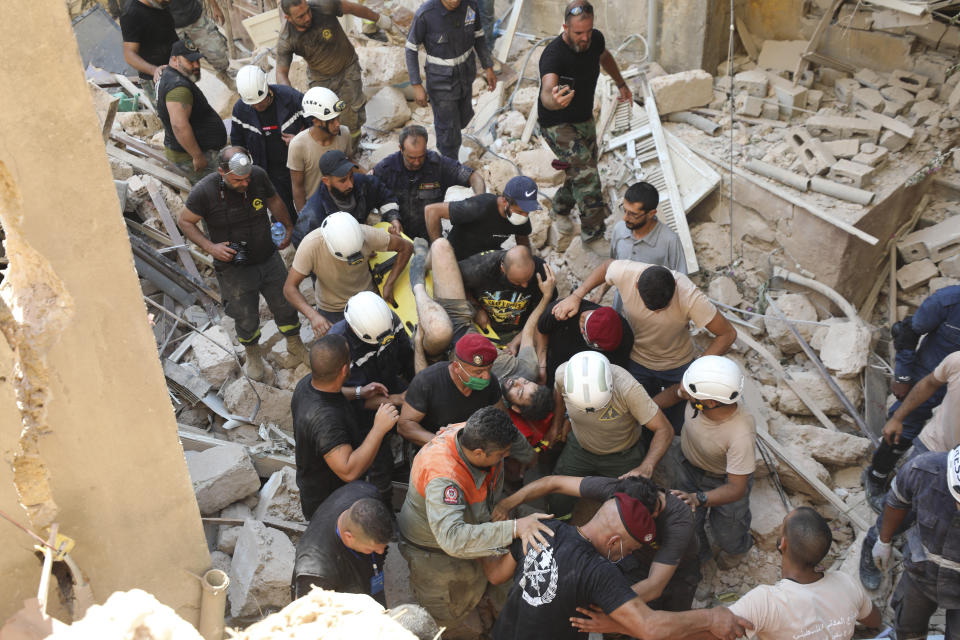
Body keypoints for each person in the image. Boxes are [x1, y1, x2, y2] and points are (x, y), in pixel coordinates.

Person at [482, 492, 752, 640]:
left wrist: (482, 531)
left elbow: (495, 575)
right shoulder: (599, 572)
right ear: (614, 541)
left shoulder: (542, 529)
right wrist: (711, 617)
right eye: (630, 549)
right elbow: (650, 627)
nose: (627, 556)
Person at [397, 406, 555, 633]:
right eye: (502, 455)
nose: (506, 457)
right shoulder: (443, 475)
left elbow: (517, 444)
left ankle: (482, 611)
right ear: (479, 453)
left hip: (473, 525)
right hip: (433, 550)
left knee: (479, 586)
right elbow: (452, 539)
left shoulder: (478, 432)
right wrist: (513, 528)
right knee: (445, 614)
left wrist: (529, 457)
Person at [552, 259, 737, 432]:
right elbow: (607, 266)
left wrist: (695, 374)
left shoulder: (689, 295)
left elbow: (727, 334)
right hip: (637, 360)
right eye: (651, 307)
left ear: (674, 287)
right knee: (638, 419)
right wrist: (576, 296)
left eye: (662, 307)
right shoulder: (627, 273)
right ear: (635, 285)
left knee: (678, 422)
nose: (656, 312)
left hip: (677, 364)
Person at [177, 146, 307, 380]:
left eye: (247, 179)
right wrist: (210, 247)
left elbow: (273, 199)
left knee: (285, 302)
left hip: (266, 254)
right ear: (222, 172)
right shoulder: (204, 191)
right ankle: (253, 354)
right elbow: (184, 221)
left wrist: (287, 225)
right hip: (234, 263)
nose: (245, 184)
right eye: (238, 180)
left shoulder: (257, 175)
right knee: (245, 314)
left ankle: (294, 343)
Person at [493, 474, 700, 612]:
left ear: (653, 513)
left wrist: (604, 602)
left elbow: (655, 585)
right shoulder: (621, 491)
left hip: (677, 572)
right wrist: (507, 503)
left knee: (668, 619)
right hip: (632, 559)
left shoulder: (678, 521)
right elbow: (553, 482)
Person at [860, 350, 960, 589]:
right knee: (901, 510)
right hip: (933, 448)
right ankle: (875, 543)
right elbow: (929, 383)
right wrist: (899, 417)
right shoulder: (957, 361)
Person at [537, 0, 631, 244]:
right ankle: (593, 237)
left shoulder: (595, 40)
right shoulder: (553, 54)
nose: (585, 38)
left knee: (580, 170)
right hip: (556, 123)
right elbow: (547, 91)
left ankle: (559, 209)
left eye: (588, 31)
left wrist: (621, 83)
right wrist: (554, 100)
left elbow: (605, 56)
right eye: (579, 33)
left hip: (583, 118)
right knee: (588, 176)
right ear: (565, 28)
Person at [863, 285, 960, 511]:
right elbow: (907, 331)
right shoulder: (948, 301)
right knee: (904, 426)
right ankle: (877, 476)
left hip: (956, 383)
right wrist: (903, 375)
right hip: (928, 374)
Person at [548, 351, 674, 519]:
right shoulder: (563, 375)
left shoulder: (627, 388)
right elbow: (559, 396)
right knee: (557, 499)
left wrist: (647, 466)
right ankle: (560, 525)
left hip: (623, 455)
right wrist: (556, 425)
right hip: (580, 447)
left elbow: (664, 429)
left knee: (633, 508)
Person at [726, 507, 880, 640]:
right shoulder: (847, 583)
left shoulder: (765, 602)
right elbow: (875, 620)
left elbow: (714, 630)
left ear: (783, 543)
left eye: (782, 525)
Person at [291, 335, 400, 516]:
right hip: (330, 504)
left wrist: (359, 392)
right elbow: (348, 471)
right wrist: (378, 429)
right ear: (343, 370)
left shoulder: (307, 384)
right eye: (349, 357)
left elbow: (333, 391)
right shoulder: (326, 422)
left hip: (325, 487)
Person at [666, 356, 756, 569]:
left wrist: (698, 498)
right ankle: (701, 557)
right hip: (686, 464)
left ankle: (738, 549)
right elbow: (674, 393)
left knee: (729, 531)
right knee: (688, 523)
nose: (684, 393)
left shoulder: (739, 434)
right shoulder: (698, 394)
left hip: (724, 480)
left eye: (690, 393)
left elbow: (736, 488)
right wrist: (646, 410)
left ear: (711, 402)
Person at [868, 445, 960, 640]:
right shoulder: (923, 470)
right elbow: (897, 502)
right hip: (921, 572)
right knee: (907, 630)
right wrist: (883, 541)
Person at [275, 0, 398, 137]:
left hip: (347, 67)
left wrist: (380, 19)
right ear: (288, 18)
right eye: (301, 17)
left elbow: (352, 8)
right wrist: (291, 98)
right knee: (324, 116)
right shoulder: (287, 39)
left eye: (307, 11)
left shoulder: (323, 6)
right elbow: (281, 72)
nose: (308, 17)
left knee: (352, 112)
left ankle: (352, 145)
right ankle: (333, 145)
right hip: (320, 78)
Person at [283, 211, 412, 336]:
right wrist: (313, 316)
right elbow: (289, 288)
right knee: (337, 353)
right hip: (332, 308)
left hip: (367, 298)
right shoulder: (310, 246)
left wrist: (389, 283)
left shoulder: (366, 234)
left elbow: (406, 247)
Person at [405, 0, 497, 159]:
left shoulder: (470, 6)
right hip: (441, 81)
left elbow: (479, 35)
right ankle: (449, 164)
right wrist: (416, 84)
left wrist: (487, 66)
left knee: (463, 118)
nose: (454, 1)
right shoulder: (425, 14)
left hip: (465, 74)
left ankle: (452, 143)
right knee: (448, 130)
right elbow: (411, 49)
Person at [373, 125, 484, 240]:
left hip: (430, 235)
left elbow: (474, 177)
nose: (416, 162)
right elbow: (367, 188)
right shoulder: (386, 168)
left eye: (421, 156)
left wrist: (480, 198)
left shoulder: (438, 164)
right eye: (411, 158)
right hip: (397, 234)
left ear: (426, 147)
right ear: (401, 149)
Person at [292, 481, 393, 604]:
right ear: (349, 537)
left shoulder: (366, 494)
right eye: (371, 549)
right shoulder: (315, 571)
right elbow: (310, 617)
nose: (381, 552)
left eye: (383, 547)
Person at [230, 65, 309, 220]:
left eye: (261, 101)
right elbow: (237, 142)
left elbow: (315, 125)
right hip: (270, 172)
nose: (258, 107)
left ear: (266, 86)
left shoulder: (291, 97)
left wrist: (300, 141)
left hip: (300, 166)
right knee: (284, 212)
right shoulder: (240, 109)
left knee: (308, 207)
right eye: (253, 104)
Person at [601, 182, 687, 313]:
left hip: (654, 317)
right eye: (624, 210)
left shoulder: (670, 240)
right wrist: (599, 294)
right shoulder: (619, 230)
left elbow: (682, 284)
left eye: (633, 214)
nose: (625, 218)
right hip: (622, 311)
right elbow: (612, 267)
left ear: (651, 213)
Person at [292, 150, 399, 246]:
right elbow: (302, 244)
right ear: (326, 181)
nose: (350, 184)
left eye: (351, 176)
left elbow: (384, 195)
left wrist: (393, 218)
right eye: (343, 180)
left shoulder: (362, 183)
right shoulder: (314, 215)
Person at [156, 40, 228, 183]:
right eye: (190, 61)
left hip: (190, 152)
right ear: (175, 60)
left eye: (197, 60)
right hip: (191, 156)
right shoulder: (178, 87)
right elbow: (179, 125)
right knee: (218, 190)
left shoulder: (168, 75)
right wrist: (197, 156)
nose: (196, 65)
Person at [328, 291, 415, 406]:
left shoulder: (388, 320)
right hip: (363, 401)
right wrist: (396, 399)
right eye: (374, 343)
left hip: (391, 382)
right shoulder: (339, 348)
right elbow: (348, 397)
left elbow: (407, 356)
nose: (379, 345)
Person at [424, 175, 538, 260]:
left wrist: (528, 261)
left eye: (527, 212)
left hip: (486, 258)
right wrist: (439, 250)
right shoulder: (479, 206)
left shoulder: (521, 216)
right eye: (520, 211)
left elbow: (523, 241)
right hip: (457, 257)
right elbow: (432, 211)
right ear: (504, 201)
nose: (524, 216)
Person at [287, 87, 353, 215]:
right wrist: (304, 217)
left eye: (338, 118)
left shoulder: (344, 134)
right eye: (331, 120)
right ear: (316, 121)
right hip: (316, 209)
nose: (337, 124)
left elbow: (350, 164)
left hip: (342, 204)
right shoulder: (298, 145)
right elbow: (298, 187)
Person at [537, 300, 633, 386]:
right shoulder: (565, 310)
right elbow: (542, 329)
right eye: (585, 329)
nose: (582, 331)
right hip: (550, 365)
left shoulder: (624, 341)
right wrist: (542, 365)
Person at [120, 0, 177, 104]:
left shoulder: (161, 4)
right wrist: (155, 70)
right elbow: (129, 54)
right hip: (157, 80)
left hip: (177, 69)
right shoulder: (131, 13)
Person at [168, 0, 233, 85]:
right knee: (185, 69)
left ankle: (224, 74)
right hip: (173, 28)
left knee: (220, 55)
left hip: (195, 18)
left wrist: (215, 7)